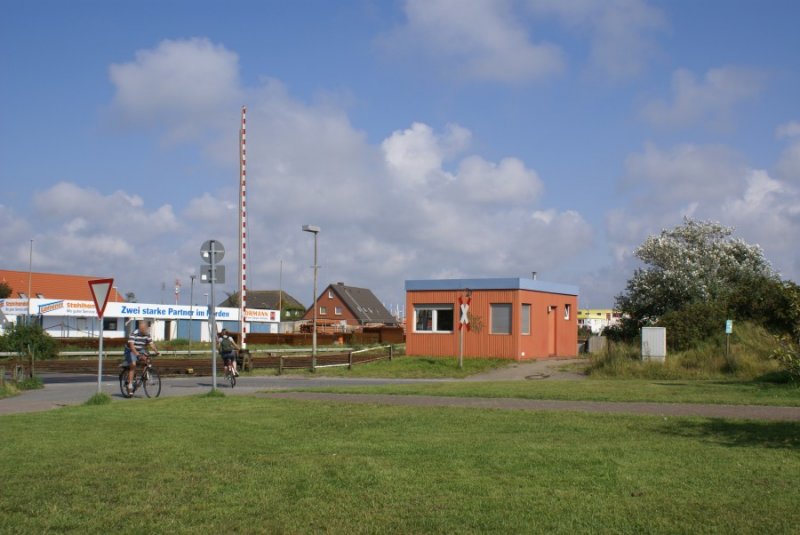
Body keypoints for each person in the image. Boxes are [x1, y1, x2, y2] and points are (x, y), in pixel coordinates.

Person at [124, 320, 159, 395]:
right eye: (142, 328)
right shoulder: (134, 333)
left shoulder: (147, 334)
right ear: (140, 328)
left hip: (141, 349)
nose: (144, 330)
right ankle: (130, 385)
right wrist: (137, 354)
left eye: (145, 328)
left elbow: (151, 344)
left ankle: (145, 377)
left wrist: (156, 351)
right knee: (133, 365)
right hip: (130, 350)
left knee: (148, 360)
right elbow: (132, 346)